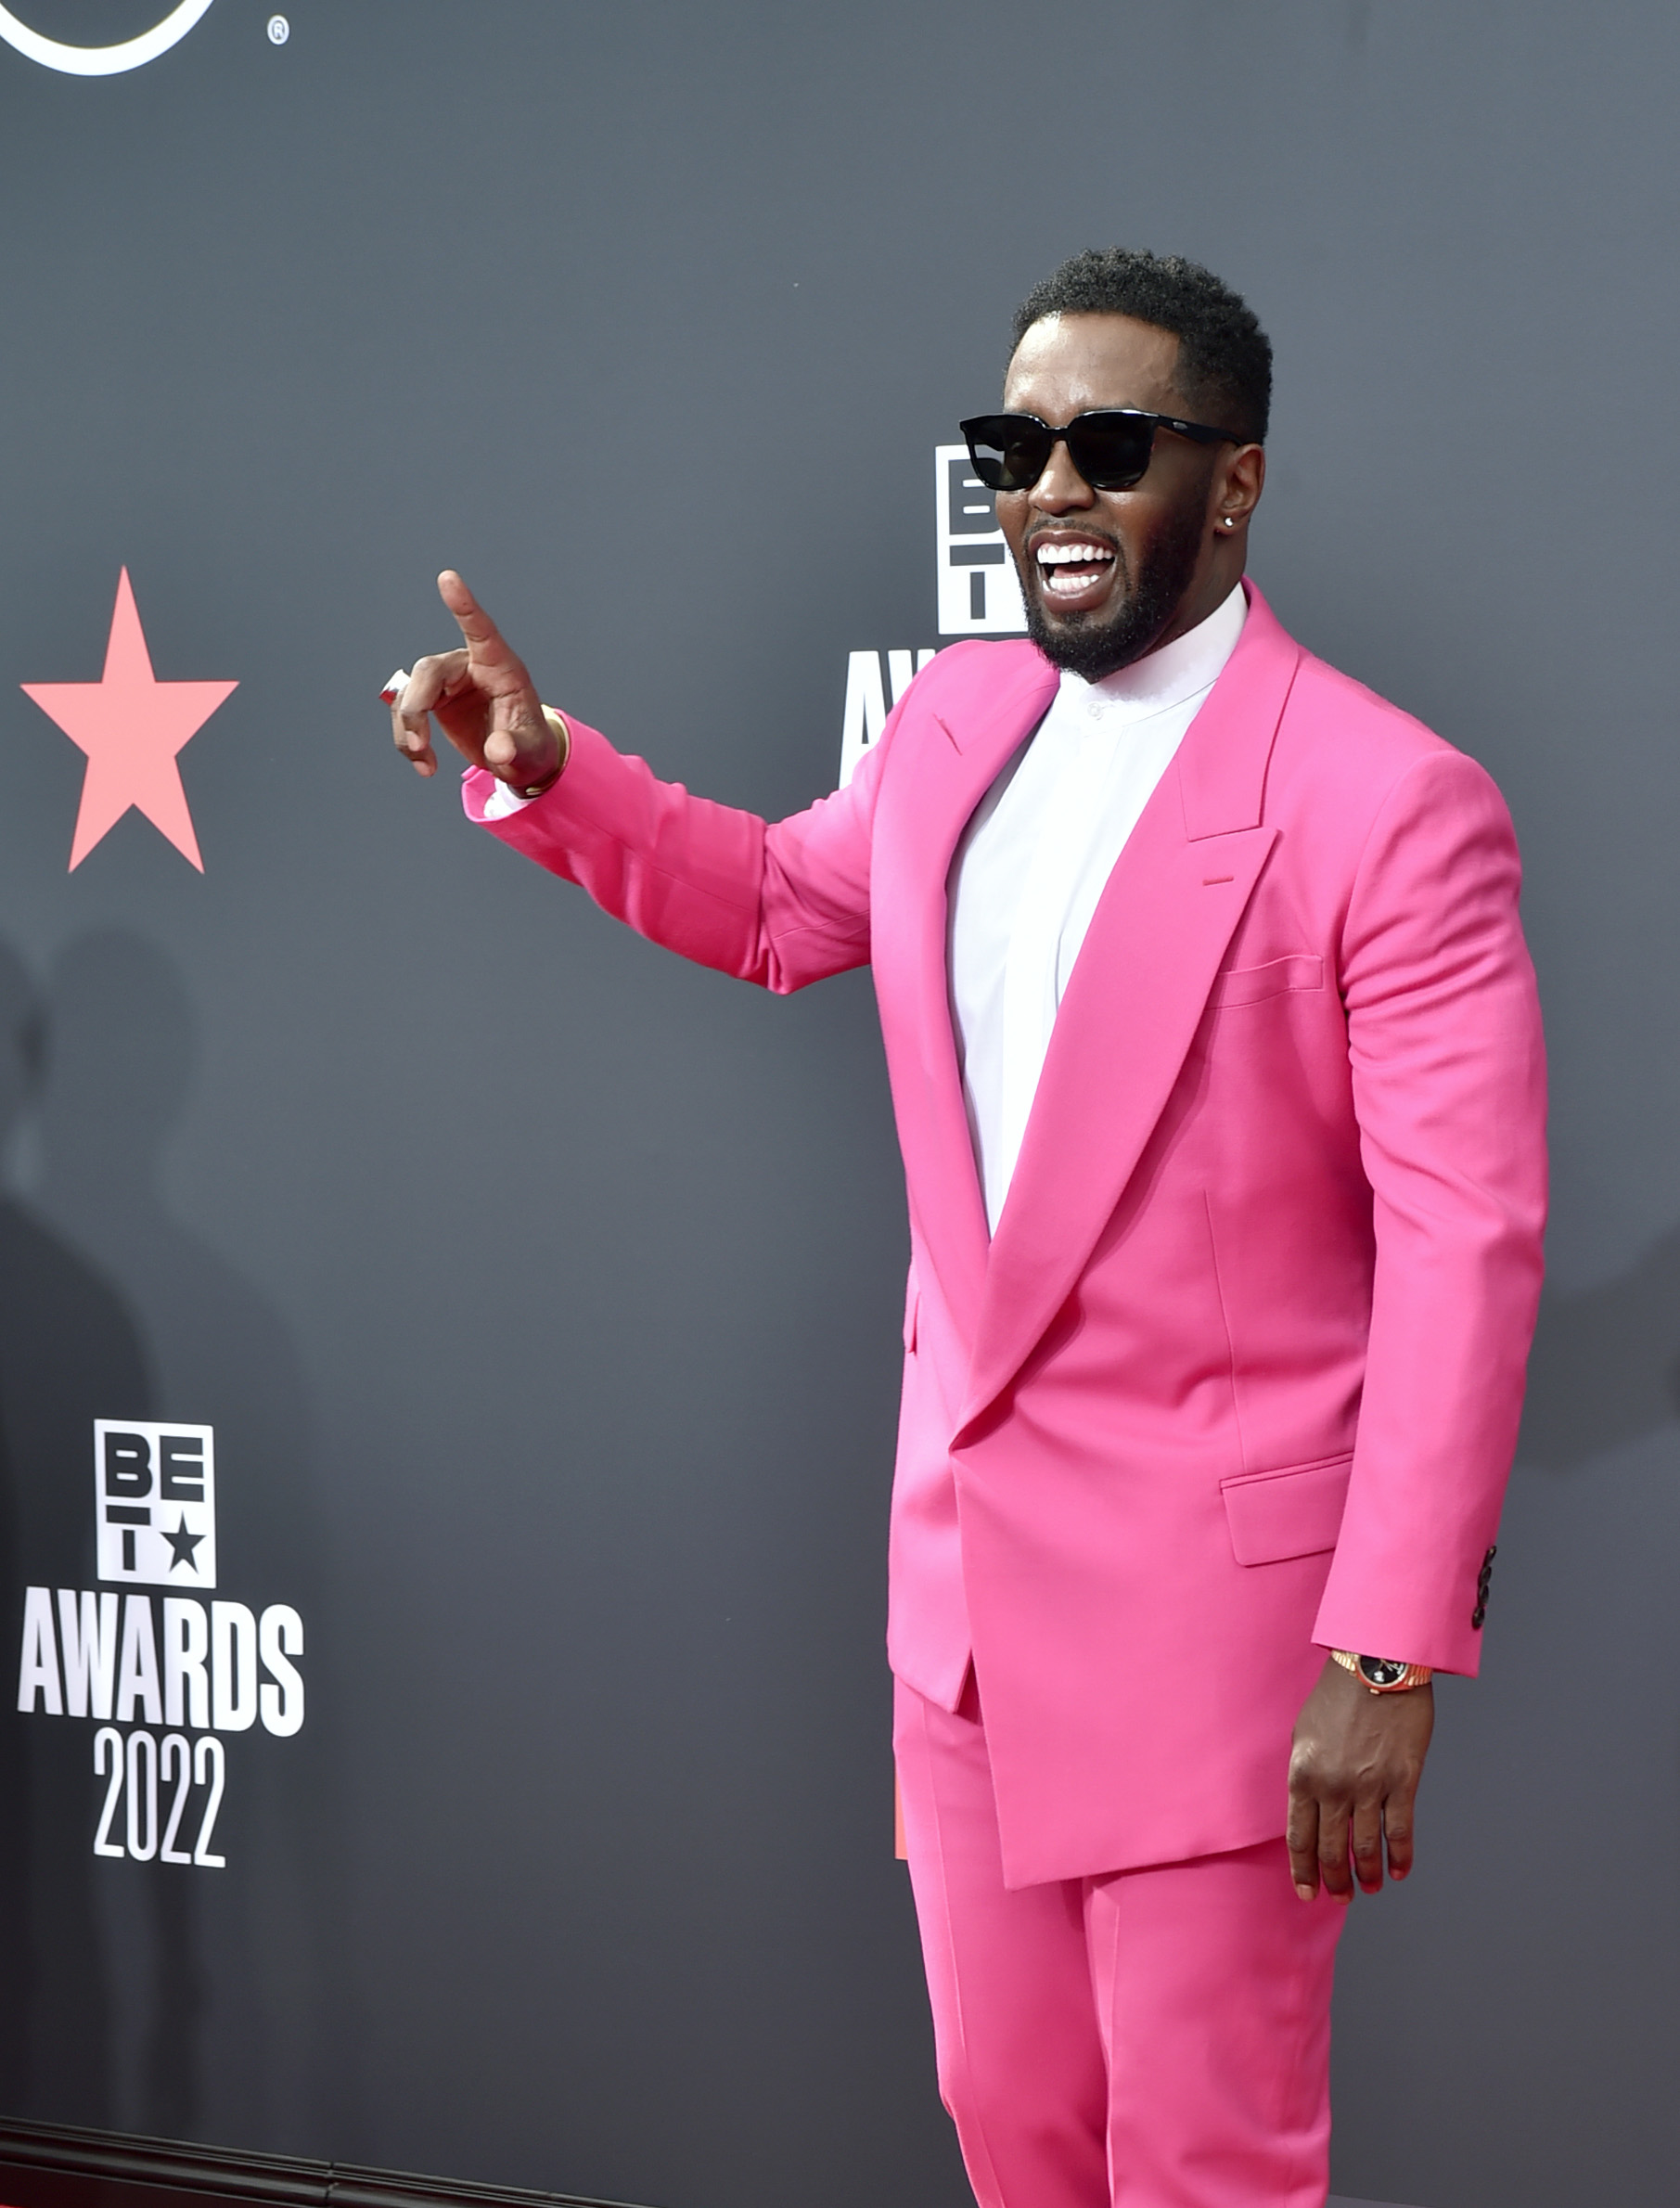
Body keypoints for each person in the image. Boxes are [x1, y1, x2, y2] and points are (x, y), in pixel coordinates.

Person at [387, 248, 1546, 2208]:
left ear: (1237, 482)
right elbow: (777, 903)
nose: (1051, 491)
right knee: (1013, 2138)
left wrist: (1388, 1651)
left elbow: (1465, 1249)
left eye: (1112, 445)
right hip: (966, 1632)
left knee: (1205, 2168)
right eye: (1016, 448)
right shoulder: (955, 718)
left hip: (1221, 1644)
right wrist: (550, 772)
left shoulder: (1388, 801)